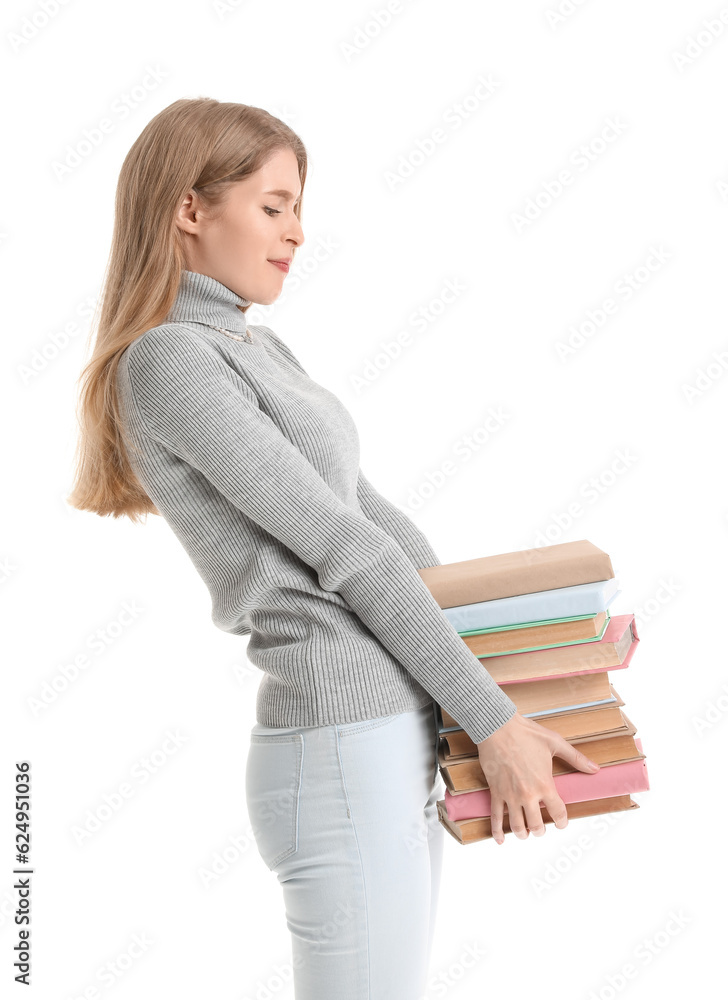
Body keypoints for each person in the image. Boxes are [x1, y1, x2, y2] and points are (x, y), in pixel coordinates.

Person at [67, 97, 601, 1000]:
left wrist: (507, 683)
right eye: (274, 206)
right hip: (339, 739)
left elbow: (384, 526)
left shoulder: (256, 348)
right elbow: (344, 548)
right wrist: (491, 718)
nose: (298, 233)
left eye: (298, 208)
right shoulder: (169, 362)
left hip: (389, 733)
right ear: (190, 210)